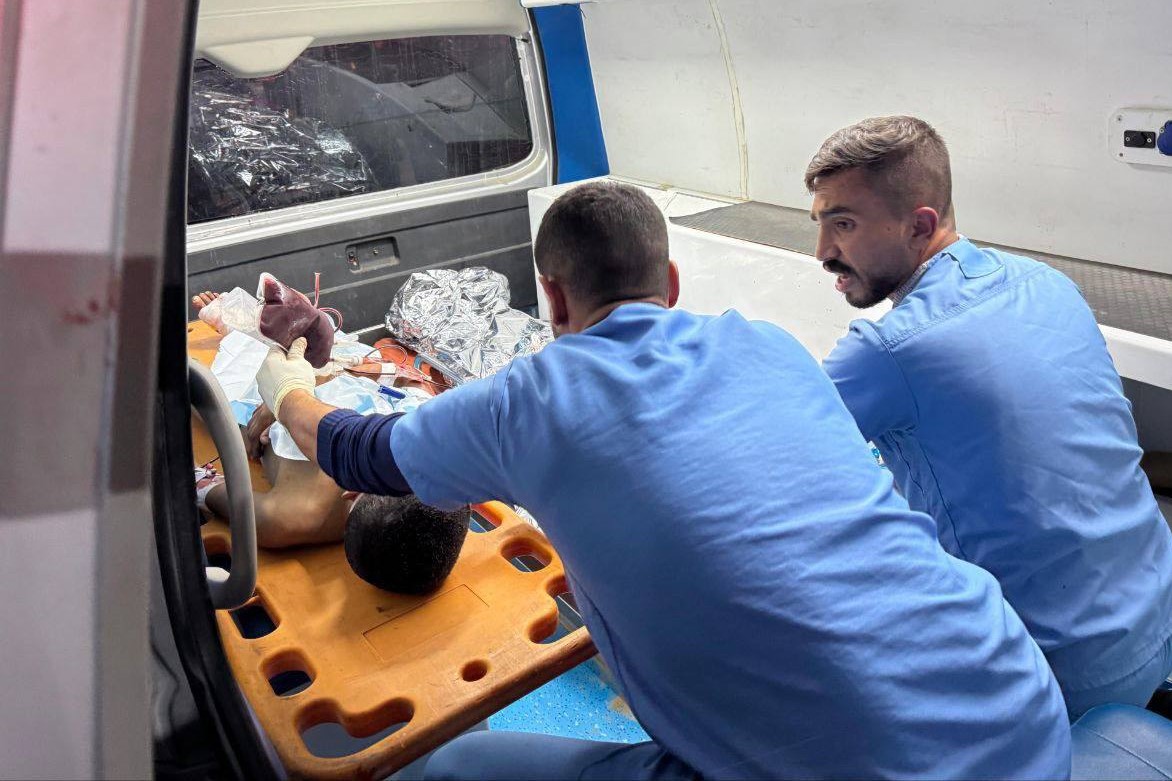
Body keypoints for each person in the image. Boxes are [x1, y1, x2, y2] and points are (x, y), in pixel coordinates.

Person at [256, 182, 1070, 779]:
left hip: (856, 764)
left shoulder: (531, 399)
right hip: (1020, 711)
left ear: (553, 298)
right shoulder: (770, 343)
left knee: (455, 766)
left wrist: (285, 386)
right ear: (671, 284)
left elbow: (356, 451)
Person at [810, 115, 1172, 720]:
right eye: (820, 224)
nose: (823, 252)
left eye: (843, 224)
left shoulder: (889, 349)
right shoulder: (1046, 281)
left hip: (1062, 677)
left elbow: (765, 460)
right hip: (1156, 619)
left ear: (919, 225)